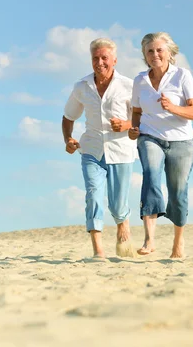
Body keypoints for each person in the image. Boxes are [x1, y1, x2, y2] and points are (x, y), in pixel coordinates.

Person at [62, 38, 136, 259]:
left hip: (121, 150)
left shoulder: (128, 86)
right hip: (91, 150)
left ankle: (123, 222)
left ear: (114, 59)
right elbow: (68, 117)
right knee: (93, 194)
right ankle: (98, 250)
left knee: (117, 203)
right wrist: (68, 139)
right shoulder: (82, 87)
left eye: (105, 58)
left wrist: (126, 124)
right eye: (96, 58)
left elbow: (142, 118)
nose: (100, 62)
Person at [129, 32, 193, 258]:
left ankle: (178, 241)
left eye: (159, 50)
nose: (155, 54)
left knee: (177, 192)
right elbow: (137, 111)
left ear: (169, 53)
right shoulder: (140, 80)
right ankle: (149, 239)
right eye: (150, 51)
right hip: (150, 137)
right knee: (150, 174)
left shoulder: (182, 76)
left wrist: (172, 108)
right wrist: (134, 128)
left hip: (181, 141)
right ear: (144, 55)